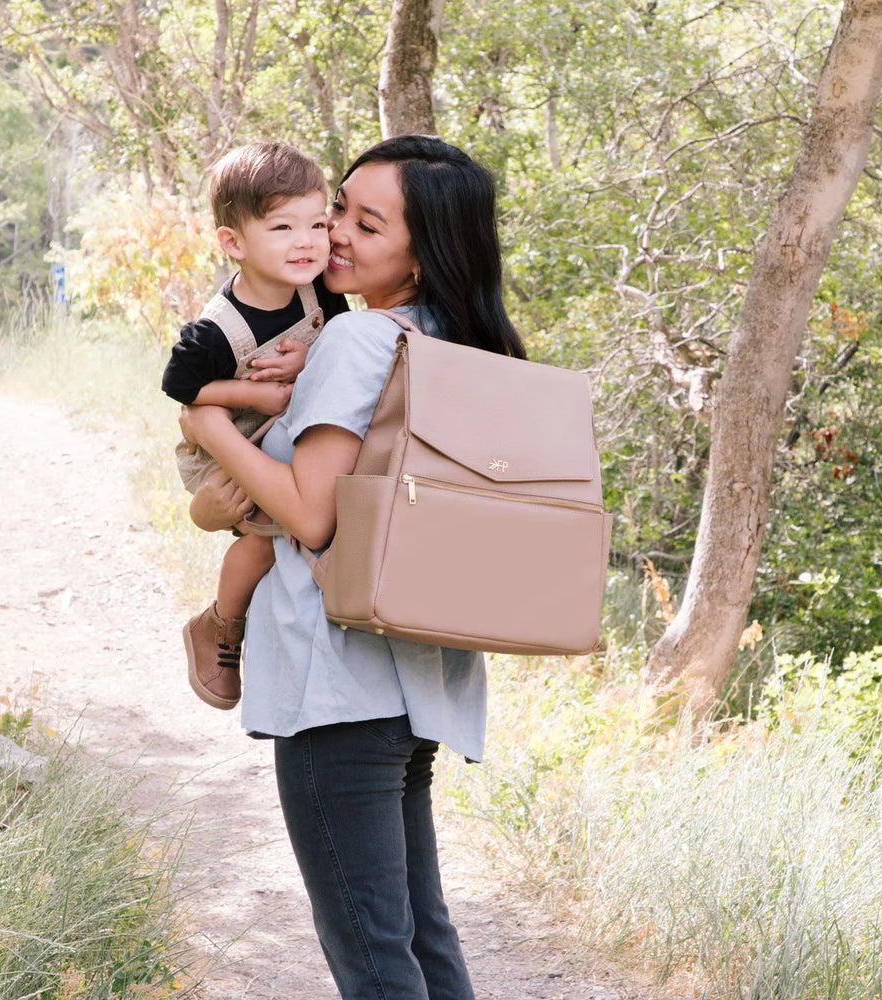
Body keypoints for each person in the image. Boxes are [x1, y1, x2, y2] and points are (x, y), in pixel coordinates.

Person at [180, 134, 526, 999]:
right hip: (417, 680)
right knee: (419, 938)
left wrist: (209, 428)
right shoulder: (463, 344)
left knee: (374, 961)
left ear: (423, 254)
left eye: (366, 225)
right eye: (340, 207)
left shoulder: (358, 342)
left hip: (335, 685)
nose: (333, 233)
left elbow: (308, 514)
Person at [161, 141, 347, 710]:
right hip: (228, 449)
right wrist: (256, 394)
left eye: (317, 223)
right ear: (234, 242)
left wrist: (304, 365)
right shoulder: (214, 332)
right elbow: (181, 389)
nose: (307, 241)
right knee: (267, 542)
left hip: (289, 437)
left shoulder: (322, 295)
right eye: (283, 227)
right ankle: (220, 622)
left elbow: (338, 348)